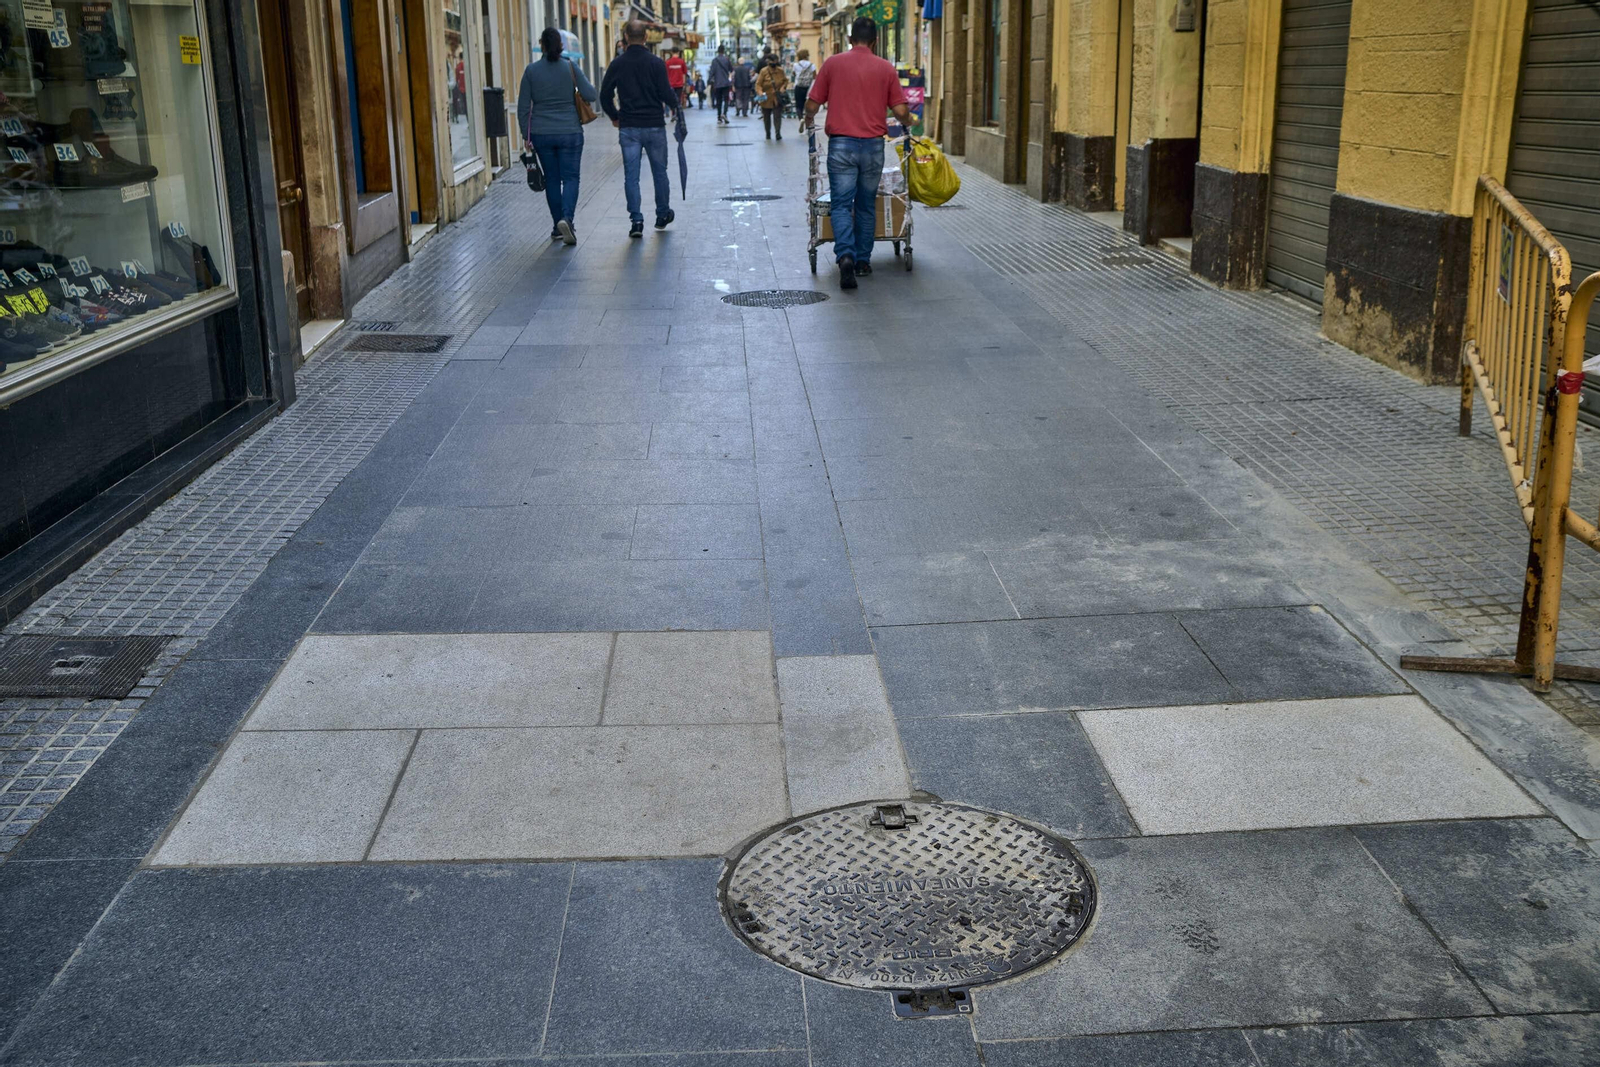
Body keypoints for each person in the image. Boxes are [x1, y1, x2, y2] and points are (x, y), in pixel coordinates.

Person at [803, 17, 915, 289]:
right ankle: (864, 261)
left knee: (841, 204)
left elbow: (812, 104)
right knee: (865, 204)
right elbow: (900, 112)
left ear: (850, 39)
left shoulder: (832, 64)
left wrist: (808, 121)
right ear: (875, 42)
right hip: (873, 146)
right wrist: (909, 122)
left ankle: (845, 257)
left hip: (841, 145)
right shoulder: (885, 68)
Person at [518, 27, 599, 246]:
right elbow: (591, 94)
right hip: (570, 132)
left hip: (542, 134)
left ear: (541, 46)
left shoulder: (531, 71)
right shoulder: (570, 67)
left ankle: (557, 226)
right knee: (571, 178)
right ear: (560, 46)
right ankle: (567, 220)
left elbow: (523, 107)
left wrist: (526, 134)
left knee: (552, 179)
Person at [600, 19, 680, 238]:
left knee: (631, 176)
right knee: (659, 172)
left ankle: (636, 221)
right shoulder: (656, 63)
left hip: (629, 127)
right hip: (654, 125)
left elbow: (604, 95)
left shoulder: (618, 63)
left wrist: (615, 117)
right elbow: (665, 93)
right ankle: (662, 214)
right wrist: (676, 106)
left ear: (626, 37)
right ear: (645, 37)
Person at [755, 56, 789, 141]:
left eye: (775, 60)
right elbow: (758, 84)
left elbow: (785, 80)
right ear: (768, 61)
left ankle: (778, 133)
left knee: (777, 115)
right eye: (772, 61)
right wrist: (760, 92)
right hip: (766, 97)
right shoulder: (763, 71)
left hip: (777, 97)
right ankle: (768, 133)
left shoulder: (780, 71)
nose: (773, 62)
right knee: (766, 116)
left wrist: (783, 87)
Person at [709, 45, 734, 124]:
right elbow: (731, 70)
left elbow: (712, 72)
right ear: (724, 51)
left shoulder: (714, 60)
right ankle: (725, 114)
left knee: (718, 100)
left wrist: (709, 81)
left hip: (717, 84)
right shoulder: (727, 59)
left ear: (718, 51)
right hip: (726, 83)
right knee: (726, 99)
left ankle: (719, 117)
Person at [792, 49, 815, 120]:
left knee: (799, 105)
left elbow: (794, 74)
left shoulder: (796, 65)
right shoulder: (812, 65)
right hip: (809, 88)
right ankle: (810, 124)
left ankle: (801, 119)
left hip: (798, 87)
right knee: (809, 106)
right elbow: (815, 76)